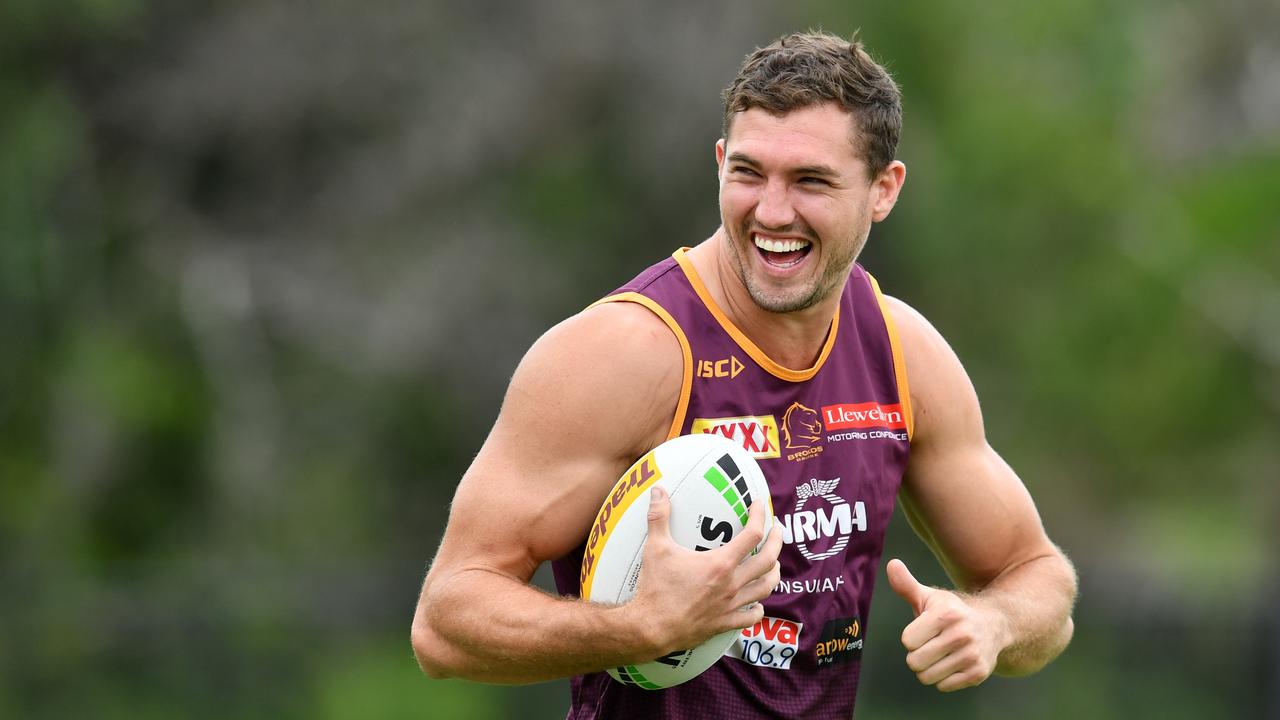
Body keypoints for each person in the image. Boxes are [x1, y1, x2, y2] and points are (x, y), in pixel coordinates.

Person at [411, 31, 1077, 719]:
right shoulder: (626, 353)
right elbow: (445, 623)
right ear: (721, 163)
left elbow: (1039, 583)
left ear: (883, 189)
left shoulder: (901, 353)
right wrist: (639, 629)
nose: (773, 212)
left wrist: (993, 625)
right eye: (750, 173)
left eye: (811, 180)